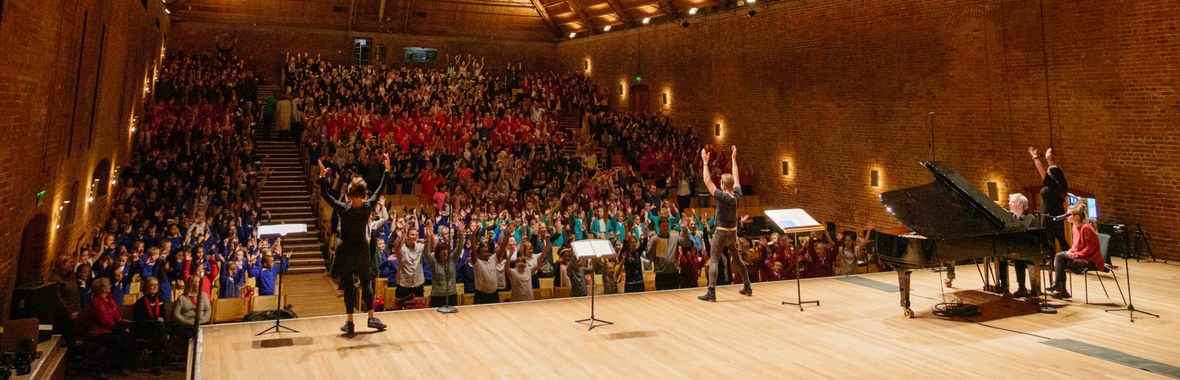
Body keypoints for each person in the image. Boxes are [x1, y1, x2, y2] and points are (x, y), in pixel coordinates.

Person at [318, 154, 390, 333]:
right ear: (364, 194)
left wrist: (322, 177)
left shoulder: (344, 209)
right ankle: (371, 318)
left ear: (349, 195)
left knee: (349, 286)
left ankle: (350, 321)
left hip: (345, 250)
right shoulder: (367, 207)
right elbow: (380, 189)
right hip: (361, 250)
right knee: (366, 283)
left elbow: (325, 195)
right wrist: (386, 171)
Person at [699, 146, 752, 301]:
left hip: (721, 232)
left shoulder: (722, 197)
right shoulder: (737, 195)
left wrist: (705, 163)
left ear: (722, 183)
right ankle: (747, 286)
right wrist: (734, 159)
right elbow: (736, 176)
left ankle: (711, 291)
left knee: (714, 259)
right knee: (737, 259)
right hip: (733, 233)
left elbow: (707, 180)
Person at [1049, 203, 1102, 299]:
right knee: (1059, 256)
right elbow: (1075, 245)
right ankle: (1061, 289)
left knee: (1062, 262)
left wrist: (1076, 255)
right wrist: (1070, 252)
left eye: (1069, 214)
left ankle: (1060, 289)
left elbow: (1090, 248)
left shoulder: (1086, 228)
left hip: (1091, 259)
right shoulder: (1074, 226)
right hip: (1080, 256)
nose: (1066, 216)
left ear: (1077, 217)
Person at [82, 277, 130, 377]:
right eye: (108, 285)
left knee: (127, 335)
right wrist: (119, 327)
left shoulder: (109, 299)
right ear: (102, 288)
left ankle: (121, 366)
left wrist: (122, 324)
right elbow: (104, 321)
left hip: (109, 328)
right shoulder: (97, 302)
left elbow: (116, 315)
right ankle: (101, 370)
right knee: (116, 340)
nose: (110, 286)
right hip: (98, 331)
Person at [1030, 147, 1069, 251]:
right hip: (1058, 214)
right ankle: (1069, 261)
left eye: (1049, 172)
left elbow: (1041, 171)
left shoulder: (1052, 185)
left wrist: (1035, 157)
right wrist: (1048, 158)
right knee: (1061, 239)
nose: (1048, 171)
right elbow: (1054, 169)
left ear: (1052, 176)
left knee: (1049, 240)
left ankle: (1052, 261)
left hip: (1049, 215)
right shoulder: (1060, 184)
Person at [998, 193, 1037, 297]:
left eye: (1012, 202)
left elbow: (1031, 238)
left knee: (1018, 259)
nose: (1009, 204)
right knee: (1000, 257)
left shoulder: (1030, 218)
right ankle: (1004, 287)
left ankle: (1022, 287)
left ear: (1019, 204)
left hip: (1030, 250)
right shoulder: (1011, 217)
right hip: (1015, 248)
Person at [132, 277, 168, 375]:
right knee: (159, 331)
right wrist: (155, 320)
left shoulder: (159, 301)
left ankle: (157, 364)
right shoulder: (140, 303)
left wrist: (160, 320)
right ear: (147, 287)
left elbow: (164, 317)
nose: (154, 287)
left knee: (160, 331)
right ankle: (162, 357)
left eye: (156, 285)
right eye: (152, 285)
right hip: (145, 329)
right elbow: (139, 320)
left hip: (158, 330)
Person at [646, 218, 693, 290]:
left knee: (674, 298)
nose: (666, 228)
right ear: (659, 227)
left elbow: (687, 244)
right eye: (663, 226)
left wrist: (685, 229)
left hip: (674, 274)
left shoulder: (675, 237)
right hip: (661, 275)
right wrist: (653, 246)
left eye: (667, 226)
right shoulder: (654, 239)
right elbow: (648, 256)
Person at [172, 277, 211, 342]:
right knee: (192, 335)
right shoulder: (181, 298)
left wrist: (200, 321)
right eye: (194, 282)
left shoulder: (204, 295)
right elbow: (176, 314)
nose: (197, 284)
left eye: (198, 282)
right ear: (189, 284)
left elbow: (208, 310)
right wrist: (188, 322)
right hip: (187, 325)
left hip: (202, 323)